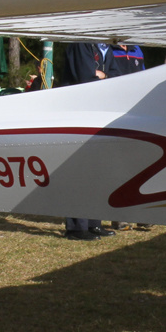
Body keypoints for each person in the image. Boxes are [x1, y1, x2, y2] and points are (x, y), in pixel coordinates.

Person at [58, 42, 114, 241]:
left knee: (95, 171)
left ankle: (93, 224)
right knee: (78, 171)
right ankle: (75, 228)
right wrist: (101, 76)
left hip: (95, 111)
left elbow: (118, 75)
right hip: (78, 112)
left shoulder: (102, 47)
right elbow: (86, 77)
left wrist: (103, 75)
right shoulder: (81, 43)